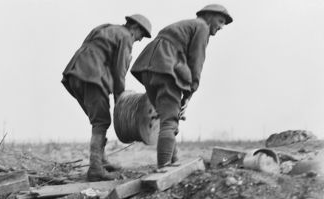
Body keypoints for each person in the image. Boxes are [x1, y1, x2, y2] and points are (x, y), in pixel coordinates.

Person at [131, 4, 233, 168]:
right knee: (170, 120)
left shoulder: (186, 25)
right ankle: (164, 168)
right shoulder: (202, 27)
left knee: (166, 119)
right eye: (220, 21)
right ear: (208, 16)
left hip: (148, 67)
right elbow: (196, 60)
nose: (221, 27)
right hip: (166, 67)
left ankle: (173, 160)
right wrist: (191, 89)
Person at [62, 14, 152, 181]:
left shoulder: (106, 27)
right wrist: (121, 100)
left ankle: (101, 160)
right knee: (101, 121)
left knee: (98, 119)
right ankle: (96, 168)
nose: (139, 40)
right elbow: (120, 71)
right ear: (135, 28)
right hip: (92, 76)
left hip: (74, 74)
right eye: (141, 35)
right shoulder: (125, 37)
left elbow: (88, 47)